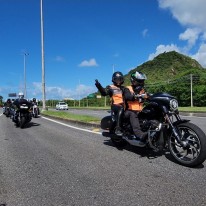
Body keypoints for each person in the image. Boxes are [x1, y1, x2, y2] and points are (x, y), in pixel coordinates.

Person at [95, 71, 124, 136]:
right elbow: (104, 93)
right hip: (115, 106)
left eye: (120, 79)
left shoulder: (123, 88)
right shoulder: (111, 87)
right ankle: (118, 128)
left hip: (123, 105)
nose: (118, 81)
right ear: (114, 80)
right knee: (121, 108)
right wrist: (98, 86)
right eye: (117, 79)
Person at [123, 71, 148, 143]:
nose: (142, 83)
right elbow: (128, 97)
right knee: (133, 114)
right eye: (140, 81)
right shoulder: (127, 88)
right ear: (133, 81)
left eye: (142, 81)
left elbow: (147, 96)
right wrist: (136, 95)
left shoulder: (142, 90)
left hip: (139, 111)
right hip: (129, 111)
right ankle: (140, 135)